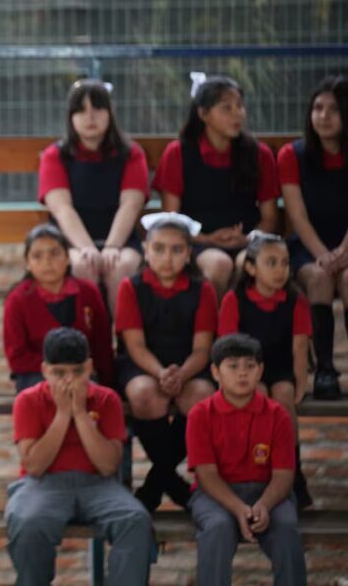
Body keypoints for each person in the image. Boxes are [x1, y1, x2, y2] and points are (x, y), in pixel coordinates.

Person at [5, 327, 154, 586]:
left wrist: (81, 413)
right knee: (27, 522)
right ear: (45, 370)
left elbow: (108, 466)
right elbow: (35, 466)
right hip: (43, 484)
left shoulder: (107, 399)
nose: (69, 380)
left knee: (135, 520)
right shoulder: (28, 400)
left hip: (98, 484)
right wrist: (63, 414)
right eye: (59, 373)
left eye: (77, 372)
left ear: (89, 368)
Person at [115, 213, 217, 511]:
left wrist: (181, 374)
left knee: (201, 396)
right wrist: (161, 373)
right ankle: (173, 484)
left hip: (190, 364)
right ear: (146, 251)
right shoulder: (130, 287)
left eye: (176, 250)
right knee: (144, 394)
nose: (167, 258)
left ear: (188, 254)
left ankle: (156, 481)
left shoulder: (203, 290)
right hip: (143, 363)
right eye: (158, 249)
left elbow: (203, 348)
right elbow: (135, 345)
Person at [186, 333, 305, 586]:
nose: (242, 373)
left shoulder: (278, 415)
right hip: (215, 494)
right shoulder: (200, 414)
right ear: (215, 372)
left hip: (268, 492)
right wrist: (239, 508)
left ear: (260, 371)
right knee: (217, 527)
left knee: (286, 527)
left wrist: (264, 505)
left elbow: (284, 475)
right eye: (232, 366)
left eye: (250, 366)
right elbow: (206, 475)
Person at [152, 73, 280, 294]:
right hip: (196, 242)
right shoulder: (178, 153)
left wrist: (247, 239)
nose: (237, 114)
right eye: (226, 108)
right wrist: (208, 239)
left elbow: (270, 217)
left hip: (248, 241)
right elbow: (172, 220)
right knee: (219, 265)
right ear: (203, 114)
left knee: (251, 265)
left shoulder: (259, 154)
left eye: (240, 106)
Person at [218, 231, 312, 508]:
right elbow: (228, 348)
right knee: (255, 396)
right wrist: (235, 380)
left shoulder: (295, 300)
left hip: (280, 366)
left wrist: (300, 385)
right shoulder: (234, 299)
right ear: (250, 268)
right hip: (245, 369)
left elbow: (299, 348)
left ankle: (293, 473)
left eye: (285, 263)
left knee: (283, 397)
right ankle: (254, 474)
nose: (280, 270)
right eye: (271, 263)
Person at [39, 79, 149, 313]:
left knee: (121, 267)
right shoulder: (54, 155)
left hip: (120, 239)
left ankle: (121, 334)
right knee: (82, 266)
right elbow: (62, 209)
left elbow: (130, 205)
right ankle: (87, 334)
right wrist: (86, 248)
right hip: (71, 241)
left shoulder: (132, 154)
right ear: (70, 117)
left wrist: (112, 246)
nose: (90, 117)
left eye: (97, 108)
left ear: (110, 113)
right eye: (81, 110)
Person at [278, 75, 348, 399]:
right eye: (317, 108)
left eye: (334, 109)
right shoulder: (292, 155)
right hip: (309, 245)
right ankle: (325, 370)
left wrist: (342, 252)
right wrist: (324, 255)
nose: (323, 116)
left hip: (345, 244)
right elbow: (297, 216)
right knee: (319, 277)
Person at [2, 224, 114, 392]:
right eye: (37, 256)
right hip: (36, 374)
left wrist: (108, 384)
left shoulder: (88, 292)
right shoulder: (17, 299)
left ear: (67, 257)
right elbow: (16, 357)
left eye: (54, 253)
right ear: (28, 263)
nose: (47, 262)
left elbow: (102, 345)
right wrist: (59, 369)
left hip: (82, 373)